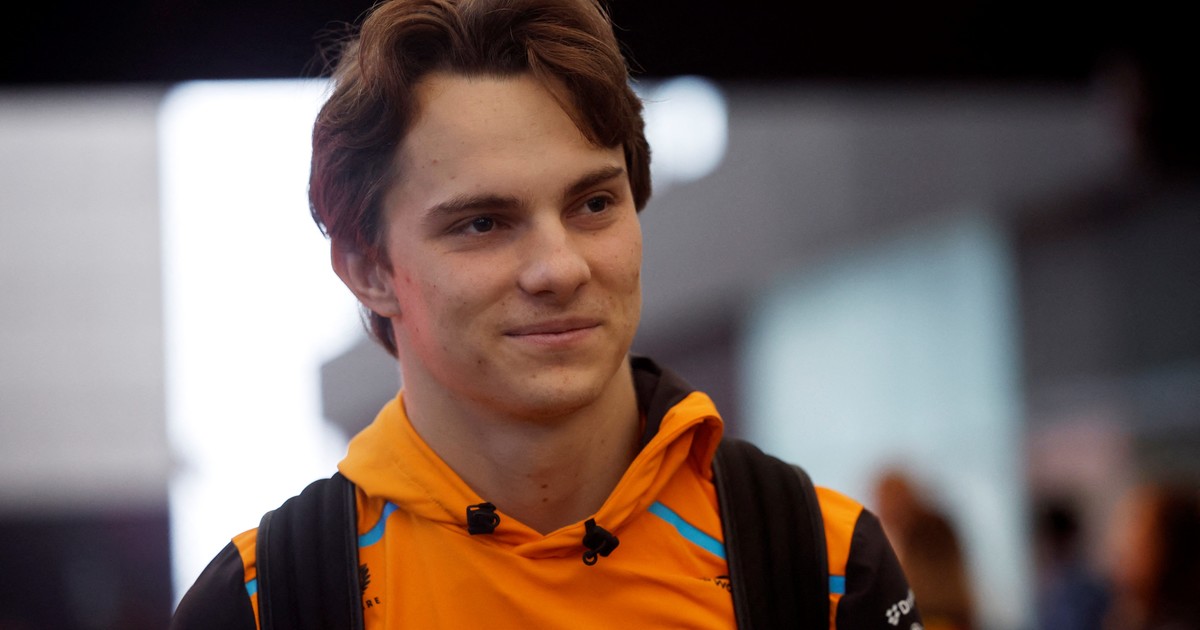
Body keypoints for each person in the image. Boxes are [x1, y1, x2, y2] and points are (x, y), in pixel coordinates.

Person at [170, 0, 920, 628]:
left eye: (593, 204)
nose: (559, 268)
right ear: (369, 271)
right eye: (483, 223)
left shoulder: (824, 564)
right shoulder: (261, 604)